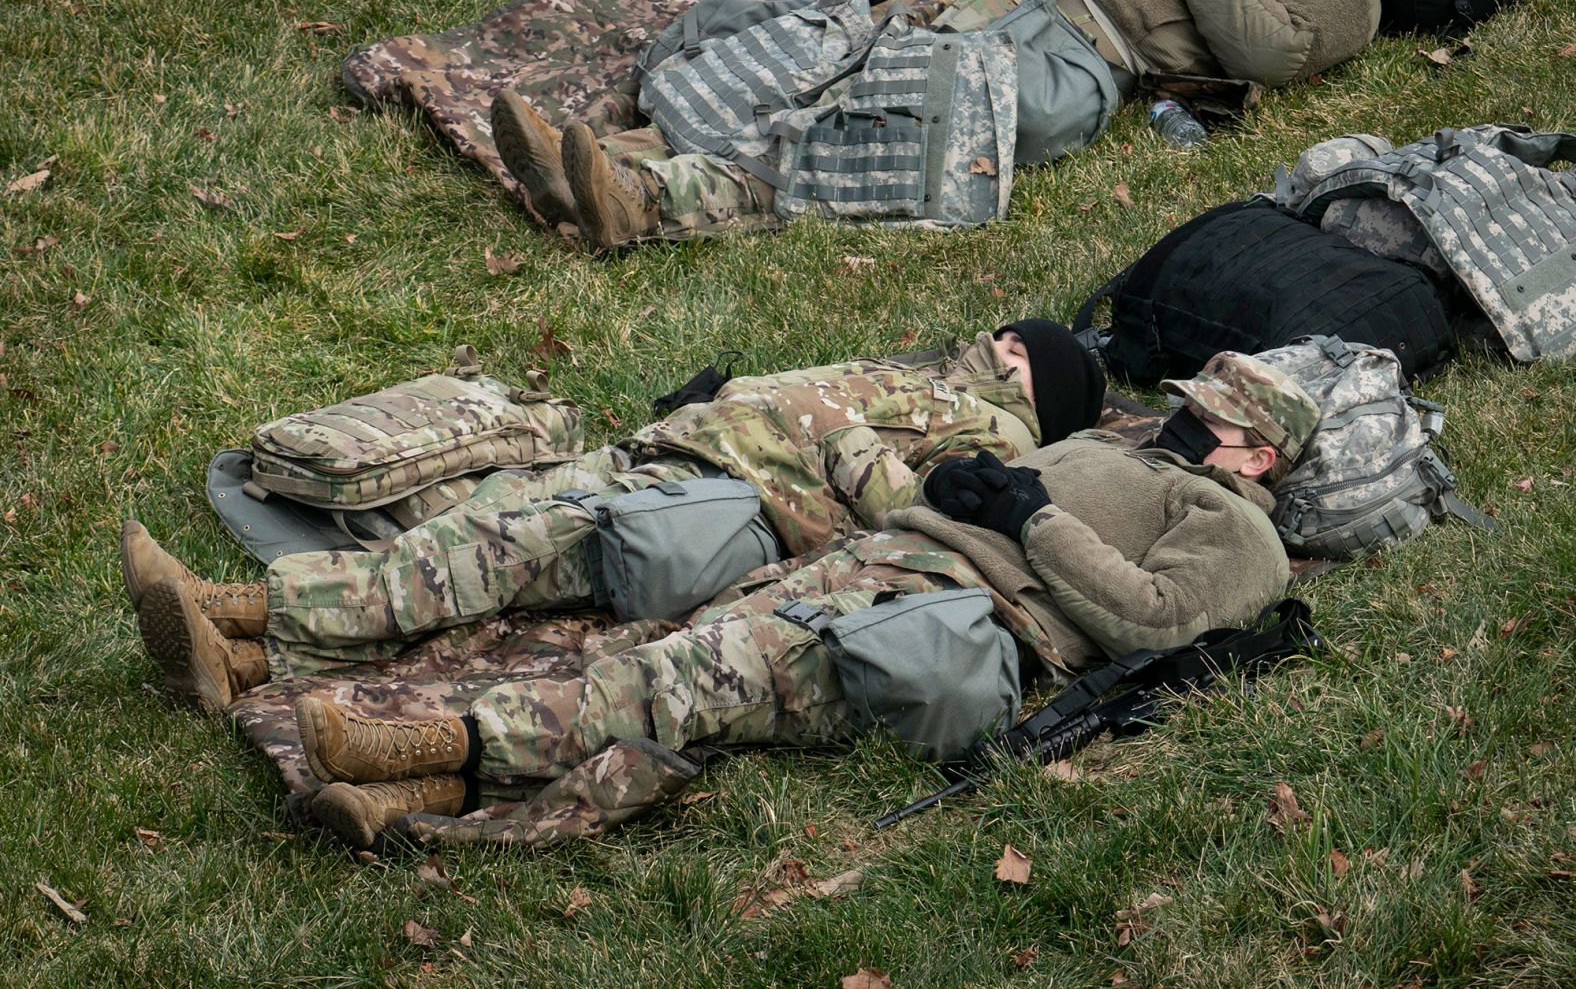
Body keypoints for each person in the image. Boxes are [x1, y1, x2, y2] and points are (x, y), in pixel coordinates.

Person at [286, 350, 1319, 848]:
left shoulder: (1241, 532)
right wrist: (955, 487)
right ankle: (418, 805)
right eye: (1184, 403)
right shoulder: (1110, 445)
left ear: (1259, 454)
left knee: (676, 682)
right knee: (668, 682)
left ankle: (434, 750)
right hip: (884, 561)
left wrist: (1027, 514)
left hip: (947, 621)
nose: (1180, 421)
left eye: (1208, 419)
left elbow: (1154, 619)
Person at [122, 322, 1106, 713]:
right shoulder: (932, 378)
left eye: (1019, 349)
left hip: (720, 504)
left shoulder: (999, 440)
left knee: (489, 557)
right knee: (474, 543)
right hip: (680, 455)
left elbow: (912, 518)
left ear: (1038, 392)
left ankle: (241, 608)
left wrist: (838, 439)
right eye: (1005, 330)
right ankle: (242, 658)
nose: (995, 339)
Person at [491, 0, 1380, 248]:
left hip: (1079, 55)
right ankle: (597, 161)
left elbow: (1272, 48)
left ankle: (641, 202)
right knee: (811, 47)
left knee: (882, 133)